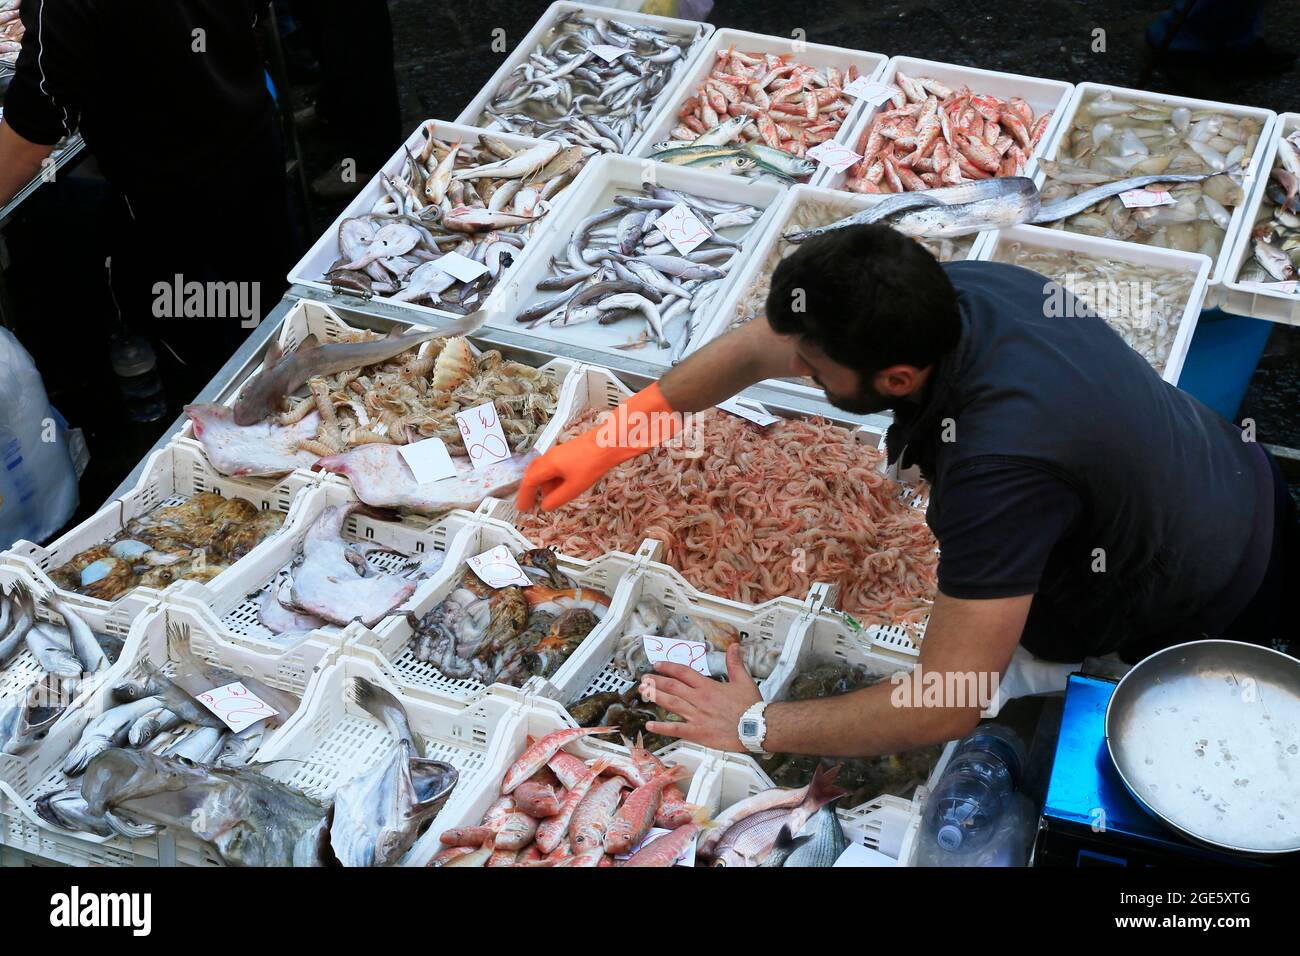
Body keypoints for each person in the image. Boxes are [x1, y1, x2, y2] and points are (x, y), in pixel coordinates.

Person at [516, 225, 1297, 760]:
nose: (802, 377)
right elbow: (762, 346)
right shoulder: (955, 294)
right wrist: (610, 438)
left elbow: (948, 699)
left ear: (895, 380)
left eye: (816, 375)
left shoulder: (997, 472)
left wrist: (755, 723)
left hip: (1215, 584)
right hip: (1219, 469)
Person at [0, 0, 299, 386]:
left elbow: (36, 124)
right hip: (250, 138)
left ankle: (227, 406)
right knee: (273, 303)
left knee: (209, 338)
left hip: (170, 194)